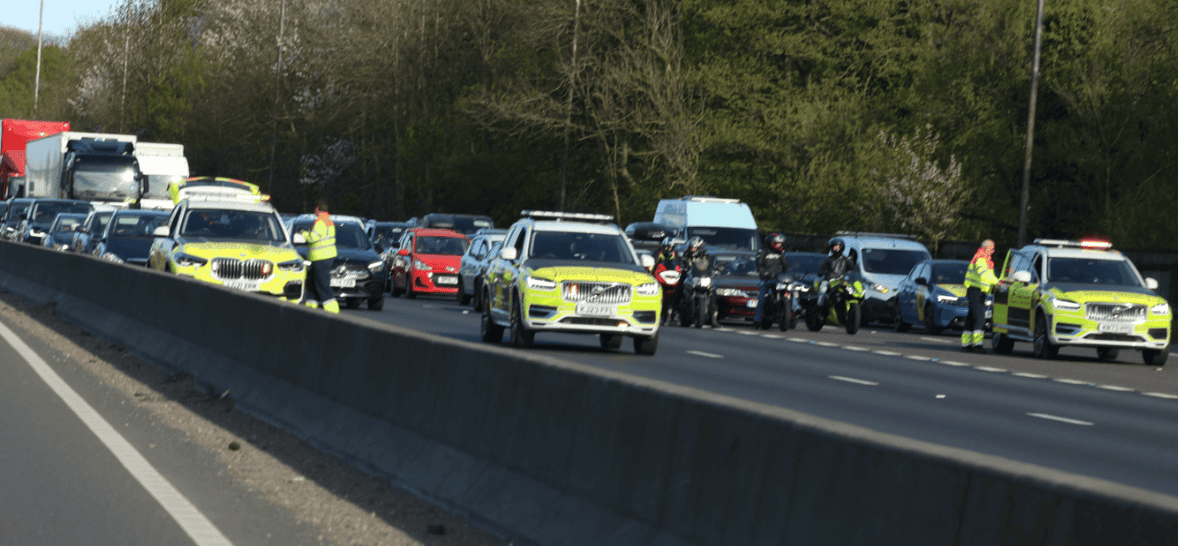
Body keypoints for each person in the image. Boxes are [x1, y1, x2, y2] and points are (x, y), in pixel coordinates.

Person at [300, 201, 340, 314]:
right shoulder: (329, 222)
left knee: (322, 282)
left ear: (317, 209)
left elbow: (312, 238)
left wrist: (303, 233)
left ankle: (332, 307)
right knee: (312, 281)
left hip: (321, 257)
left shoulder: (320, 222)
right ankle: (311, 303)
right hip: (323, 256)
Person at [961, 239, 999, 352]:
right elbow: (985, 275)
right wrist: (998, 282)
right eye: (992, 248)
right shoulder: (981, 259)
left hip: (975, 291)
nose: (993, 251)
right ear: (985, 248)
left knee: (971, 319)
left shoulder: (982, 258)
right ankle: (977, 346)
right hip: (976, 291)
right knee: (980, 319)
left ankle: (966, 345)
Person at [753, 233, 789, 329]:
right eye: (778, 243)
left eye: (781, 244)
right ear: (771, 243)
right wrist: (763, 272)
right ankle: (757, 320)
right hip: (766, 279)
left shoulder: (781, 253)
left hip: (778, 279)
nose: (780, 245)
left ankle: (792, 312)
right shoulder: (762, 252)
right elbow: (759, 265)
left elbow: (785, 265)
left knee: (790, 292)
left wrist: (787, 274)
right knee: (762, 298)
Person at [816, 240, 850, 307]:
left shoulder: (846, 259)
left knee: (851, 291)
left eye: (835, 246)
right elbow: (821, 270)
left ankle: (851, 306)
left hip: (840, 281)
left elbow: (853, 270)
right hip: (832, 281)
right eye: (833, 247)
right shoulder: (829, 259)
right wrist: (821, 273)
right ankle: (820, 307)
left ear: (840, 247)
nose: (834, 248)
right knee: (822, 290)